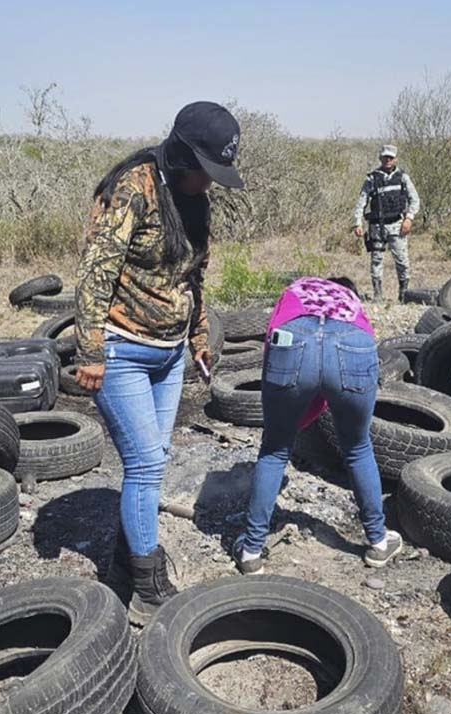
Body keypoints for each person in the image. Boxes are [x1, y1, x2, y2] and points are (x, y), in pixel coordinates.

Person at [73, 101, 243, 624]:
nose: (208, 184)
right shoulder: (134, 188)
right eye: (204, 171)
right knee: (145, 464)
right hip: (123, 348)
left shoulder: (196, 202)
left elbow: (193, 277)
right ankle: (147, 586)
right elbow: (96, 272)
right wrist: (90, 350)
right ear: (180, 154)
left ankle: (126, 566)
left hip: (169, 354)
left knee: (154, 459)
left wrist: (198, 336)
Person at [232, 276, 402, 574]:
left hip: (293, 339)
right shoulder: (351, 300)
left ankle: (251, 551)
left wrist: (292, 419)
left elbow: (271, 342)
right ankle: (377, 541)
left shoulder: (298, 288)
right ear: (347, 289)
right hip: (353, 342)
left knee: (274, 449)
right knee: (358, 447)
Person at [351, 144, 421, 301]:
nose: (387, 160)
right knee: (376, 260)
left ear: (395, 158)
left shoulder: (403, 177)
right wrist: (357, 222)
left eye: (390, 157)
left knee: (402, 261)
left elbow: (414, 200)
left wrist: (409, 218)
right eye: (385, 157)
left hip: (397, 225)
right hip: (377, 226)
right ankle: (378, 295)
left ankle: (403, 296)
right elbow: (361, 202)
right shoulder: (371, 178)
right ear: (380, 158)